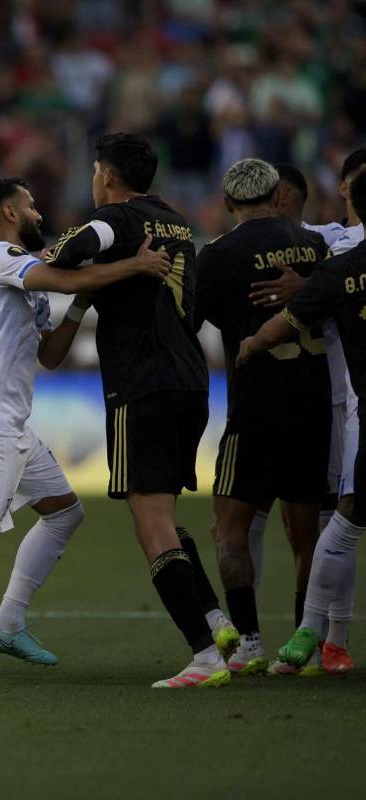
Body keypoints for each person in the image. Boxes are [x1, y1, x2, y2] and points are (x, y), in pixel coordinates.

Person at [0, 177, 172, 682]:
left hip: (10, 425)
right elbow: (67, 280)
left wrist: (85, 305)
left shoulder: (22, 270)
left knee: (65, 514)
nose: (39, 213)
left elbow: (49, 355)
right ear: (8, 210)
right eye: (29, 204)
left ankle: (7, 623)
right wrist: (134, 265)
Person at [43, 133, 230, 688]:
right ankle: (218, 624)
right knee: (166, 516)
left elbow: (66, 252)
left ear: (106, 175)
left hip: (140, 384)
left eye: (95, 171)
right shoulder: (176, 223)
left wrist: (47, 264)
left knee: (151, 525)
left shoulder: (116, 222)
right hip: (192, 382)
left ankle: (204, 656)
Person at [194, 159, 331, 675]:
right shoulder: (316, 248)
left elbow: (196, 321)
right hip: (313, 405)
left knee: (228, 530)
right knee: (307, 537)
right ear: (279, 196)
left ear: (228, 204)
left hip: (253, 409)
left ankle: (249, 644)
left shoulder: (220, 254)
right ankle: (307, 646)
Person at [237, 169, 366, 676]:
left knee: (340, 515)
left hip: (346, 399)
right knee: (335, 515)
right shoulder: (322, 241)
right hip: (332, 395)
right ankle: (331, 640)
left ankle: (327, 634)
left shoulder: (332, 258)